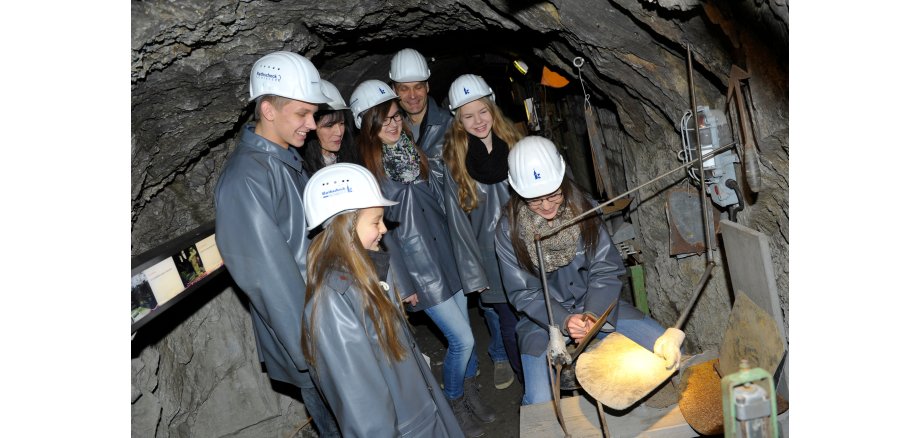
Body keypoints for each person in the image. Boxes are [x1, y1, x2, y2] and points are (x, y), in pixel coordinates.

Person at [350, 79, 494, 438]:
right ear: (369, 127)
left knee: (467, 338)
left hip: (446, 255)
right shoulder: (369, 177)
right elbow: (379, 240)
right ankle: (453, 399)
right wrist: (401, 284)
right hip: (418, 269)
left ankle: (470, 393)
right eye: (384, 121)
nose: (394, 124)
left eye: (396, 116)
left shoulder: (418, 155)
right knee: (462, 339)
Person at [214, 51, 341, 436]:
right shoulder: (247, 179)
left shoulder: (285, 160)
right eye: (302, 113)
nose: (311, 123)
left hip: (328, 322)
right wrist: (315, 351)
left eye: (313, 113)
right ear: (268, 110)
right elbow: (268, 280)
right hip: (313, 338)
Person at [495, 136, 669, 406]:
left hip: (597, 306)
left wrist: (591, 314)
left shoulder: (585, 208)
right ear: (518, 193)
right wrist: (565, 320)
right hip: (542, 321)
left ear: (563, 180)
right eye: (535, 200)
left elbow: (606, 267)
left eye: (553, 194)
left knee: (664, 349)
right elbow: (524, 293)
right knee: (540, 400)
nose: (547, 206)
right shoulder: (508, 231)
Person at [300, 163, 464, 437]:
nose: (384, 229)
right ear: (347, 227)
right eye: (375, 221)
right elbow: (359, 398)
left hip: (420, 417)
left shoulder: (365, 276)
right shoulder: (333, 300)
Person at [442, 74, 524, 390]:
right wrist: (474, 275)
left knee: (538, 318)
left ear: (492, 108)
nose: (478, 120)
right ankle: (526, 381)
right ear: (458, 121)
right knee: (508, 322)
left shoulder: (516, 144)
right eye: (468, 115)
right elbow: (458, 226)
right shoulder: (454, 161)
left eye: (482, 111)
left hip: (524, 248)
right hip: (490, 258)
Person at [389, 48, 453, 183]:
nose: (412, 95)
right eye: (404, 88)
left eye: (418, 87)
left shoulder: (452, 126)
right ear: (394, 91)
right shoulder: (391, 132)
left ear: (427, 87)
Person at [299, 80, 361, 176]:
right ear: (311, 128)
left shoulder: (352, 156)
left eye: (341, 123)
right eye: (329, 126)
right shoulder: (301, 169)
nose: (339, 132)